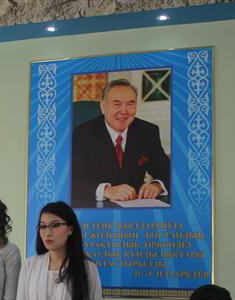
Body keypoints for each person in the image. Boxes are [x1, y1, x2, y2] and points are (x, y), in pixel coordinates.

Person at [71, 79, 171, 208]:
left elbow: (167, 171)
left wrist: (157, 185)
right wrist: (106, 191)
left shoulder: (148, 131)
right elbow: (69, 181)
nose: (124, 111)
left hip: (135, 208)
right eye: (117, 104)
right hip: (96, 210)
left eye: (130, 104)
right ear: (103, 106)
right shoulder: (81, 134)